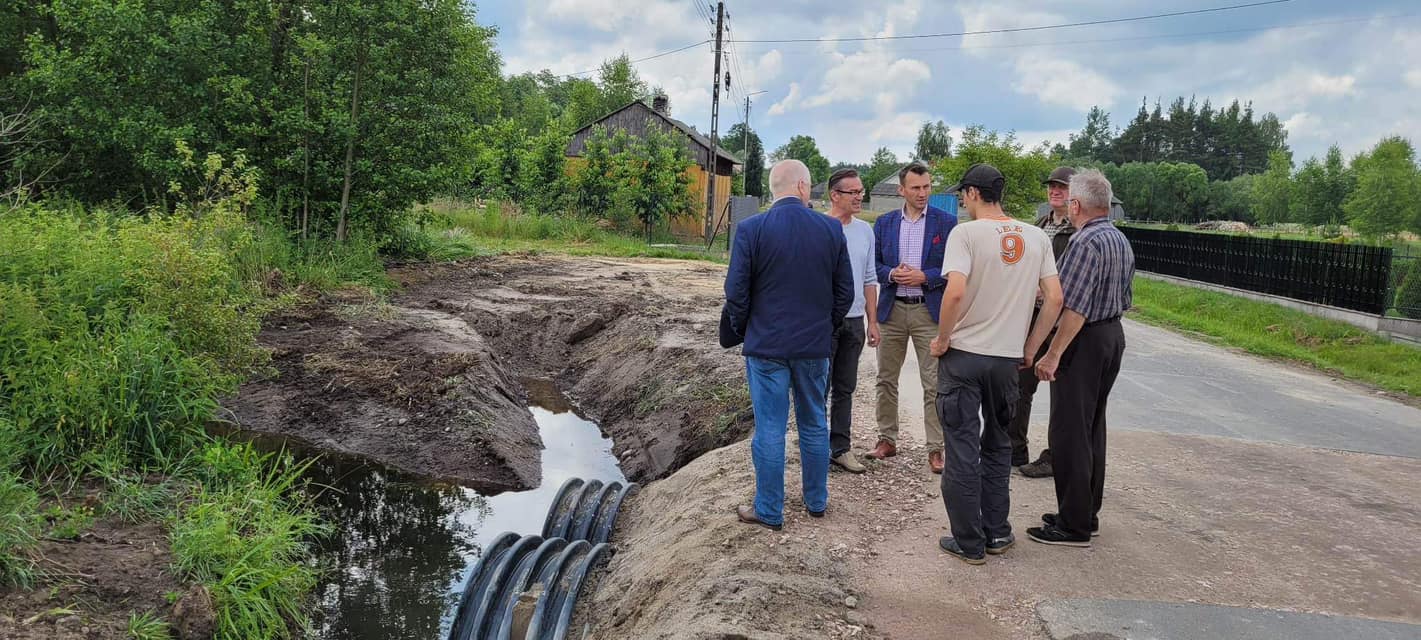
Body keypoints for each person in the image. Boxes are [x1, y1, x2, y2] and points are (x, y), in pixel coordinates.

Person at [928, 163, 1063, 564]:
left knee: (963, 446)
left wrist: (943, 337)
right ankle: (998, 532)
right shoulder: (1037, 236)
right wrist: (1031, 347)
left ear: (971, 193)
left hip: (965, 357)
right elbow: (1054, 299)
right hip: (1006, 360)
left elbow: (954, 293)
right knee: (999, 445)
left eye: (961, 195)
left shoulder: (965, 234)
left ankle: (969, 541)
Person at [723, 159, 854, 531]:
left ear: (772, 189)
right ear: (801, 187)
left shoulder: (751, 229)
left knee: (770, 428)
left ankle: (769, 509)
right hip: (813, 347)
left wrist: (746, 329)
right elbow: (844, 293)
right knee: (814, 423)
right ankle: (816, 501)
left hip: (766, 347)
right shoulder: (830, 229)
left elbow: (736, 292)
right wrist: (823, 327)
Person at [1028, 169, 1135, 548]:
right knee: (1092, 427)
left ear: (1075, 205)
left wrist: (1052, 353)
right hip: (1111, 336)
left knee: (1068, 431)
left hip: (1084, 340)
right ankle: (1085, 512)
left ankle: (1072, 525)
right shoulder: (1119, 238)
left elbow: (1072, 308)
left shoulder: (1085, 242)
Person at [867, 162, 958, 474]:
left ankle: (936, 449)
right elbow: (874, 265)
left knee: (934, 382)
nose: (923, 193)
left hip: (927, 310)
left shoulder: (946, 223)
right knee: (885, 379)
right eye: (916, 188)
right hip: (891, 310)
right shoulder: (885, 223)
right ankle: (886, 440)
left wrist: (924, 276)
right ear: (901, 190)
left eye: (927, 187)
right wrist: (892, 273)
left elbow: (952, 268)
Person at [1015, 167, 1079, 478]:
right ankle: (1015, 450)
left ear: (1075, 193)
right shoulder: (1039, 226)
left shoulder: (1078, 231)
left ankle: (1055, 456)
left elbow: (1075, 276)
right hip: (1035, 316)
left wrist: (1052, 289)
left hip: (1064, 319)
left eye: (1062, 187)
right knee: (1020, 383)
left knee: (1062, 391)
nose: (1055, 191)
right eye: (1052, 186)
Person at [823, 169, 881, 474]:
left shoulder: (865, 231)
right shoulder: (819, 227)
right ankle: (815, 448)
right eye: (853, 192)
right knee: (819, 386)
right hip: (824, 321)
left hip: (855, 320)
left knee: (846, 387)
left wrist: (873, 322)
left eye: (862, 191)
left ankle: (840, 448)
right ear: (835, 195)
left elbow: (870, 277)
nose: (860, 196)